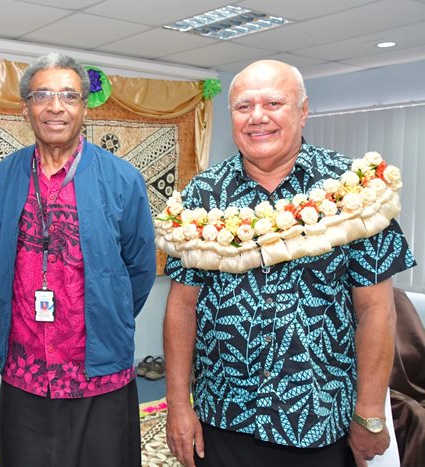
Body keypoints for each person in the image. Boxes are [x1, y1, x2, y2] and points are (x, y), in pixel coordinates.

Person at [162, 60, 416, 467]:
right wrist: (177, 404)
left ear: (303, 110)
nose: (257, 117)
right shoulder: (201, 195)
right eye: (244, 106)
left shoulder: (353, 190)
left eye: (273, 103)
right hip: (223, 416)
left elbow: (376, 311)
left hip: (319, 419)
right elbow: (182, 306)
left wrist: (369, 413)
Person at [0, 52, 157, 467]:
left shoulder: (122, 179)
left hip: (97, 369)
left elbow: (140, 269)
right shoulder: (3, 177)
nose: (55, 107)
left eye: (68, 96)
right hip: (25, 368)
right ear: (25, 107)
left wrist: (105, 312)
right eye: (42, 95)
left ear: (84, 107)